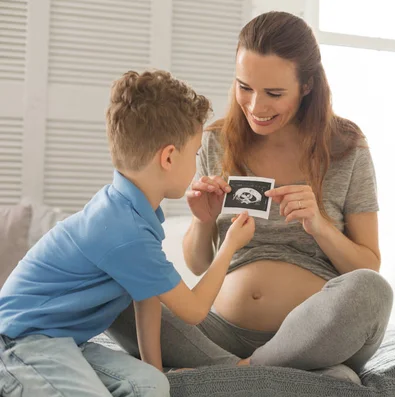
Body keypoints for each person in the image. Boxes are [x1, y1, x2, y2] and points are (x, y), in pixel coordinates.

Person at [107, 11, 393, 384]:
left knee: (372, 292)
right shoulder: (216, 141)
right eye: (245, 87)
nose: (256, 106)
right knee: (114, 284)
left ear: (307, 85)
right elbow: (198, 265)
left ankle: (241, 373)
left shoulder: (347, 149)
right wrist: (203, 219)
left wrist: (320, 227)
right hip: (218, 332)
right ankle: (282, 376)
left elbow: (367, 265)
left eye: (274, 93)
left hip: (317, 335)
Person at [0, 70, 255, 397]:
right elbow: (193, 310)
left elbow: (144, 294)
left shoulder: (133, 211)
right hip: (22, 341)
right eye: (193, 155)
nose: (195, 166)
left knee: (151, 384)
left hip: (64, 342)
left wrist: (153, 366)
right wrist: (230, 245)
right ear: (168, 157)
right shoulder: (124, 229)